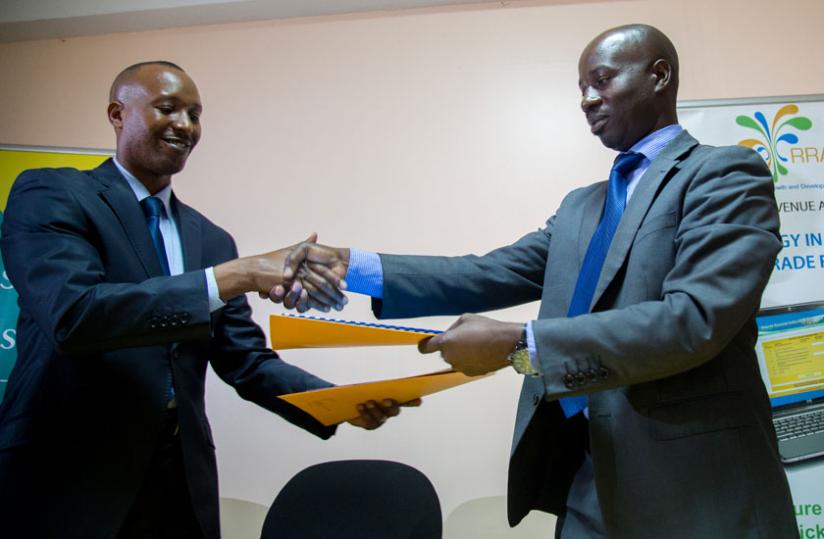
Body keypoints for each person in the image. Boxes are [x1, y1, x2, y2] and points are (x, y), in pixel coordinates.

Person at [279, 24, 797, 538]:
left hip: (694, 487)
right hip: (584, 475)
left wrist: (519, 343)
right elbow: (486, 272)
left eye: (601, 80)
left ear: (659, 75)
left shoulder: (724, 174)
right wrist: (350, 266)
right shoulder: (581, 206)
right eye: (580, 89)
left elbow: (694, 319)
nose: (587, 100)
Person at [0, 61, 405, 539]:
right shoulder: (52, 194)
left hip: (179, 479)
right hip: (69, 475)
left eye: (195, 114)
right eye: (167, 108)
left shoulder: (209, 239)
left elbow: (243, 360)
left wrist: (335, 402)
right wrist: (238, 275)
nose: (185, 126)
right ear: (117, 113)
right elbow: (74, 316)